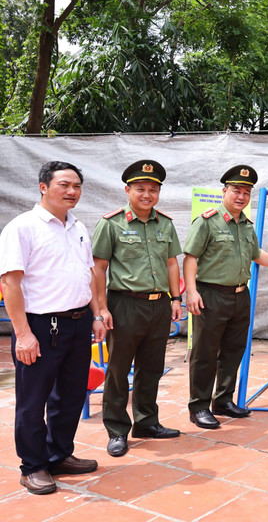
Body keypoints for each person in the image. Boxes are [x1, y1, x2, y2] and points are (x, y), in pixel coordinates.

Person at [0, 161, 106, 495]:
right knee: (33, 401)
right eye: (64, 185)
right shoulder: (22, 227)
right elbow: (10, 283)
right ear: (43, 187)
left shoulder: (77, 226)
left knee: (70, 395)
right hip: (41, 326)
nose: (72, 191)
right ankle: (32, 466)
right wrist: (23, 334)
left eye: (77, 186)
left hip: (78, 322)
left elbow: (89, 273)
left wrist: (97, 315)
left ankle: (59, 454)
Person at [183, 165, 268, 429]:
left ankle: (223, 400)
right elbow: (190, 257)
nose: (241, 197)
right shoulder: (207, 222)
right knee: (205, 353)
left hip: (239, 296)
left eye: (246, 192)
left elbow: (256, 254)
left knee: (233, 350)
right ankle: (199, 406)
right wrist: (191, 291)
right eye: (236, 190)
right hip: (210, 296)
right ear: (224, 191)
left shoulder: (246, 226)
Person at [92, 160, 183, 458]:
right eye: (140, 189)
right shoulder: (111, 224)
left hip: (159, 305)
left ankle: (146, 422)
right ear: (127, 190)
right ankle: (117, 430)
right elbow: (98, 268)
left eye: (153, 189)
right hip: (124, 304)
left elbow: (172, 263)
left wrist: (175, 299)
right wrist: (101, 308)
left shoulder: (165, 223)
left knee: (152, 367)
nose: (147, 195)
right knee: (119, 370)